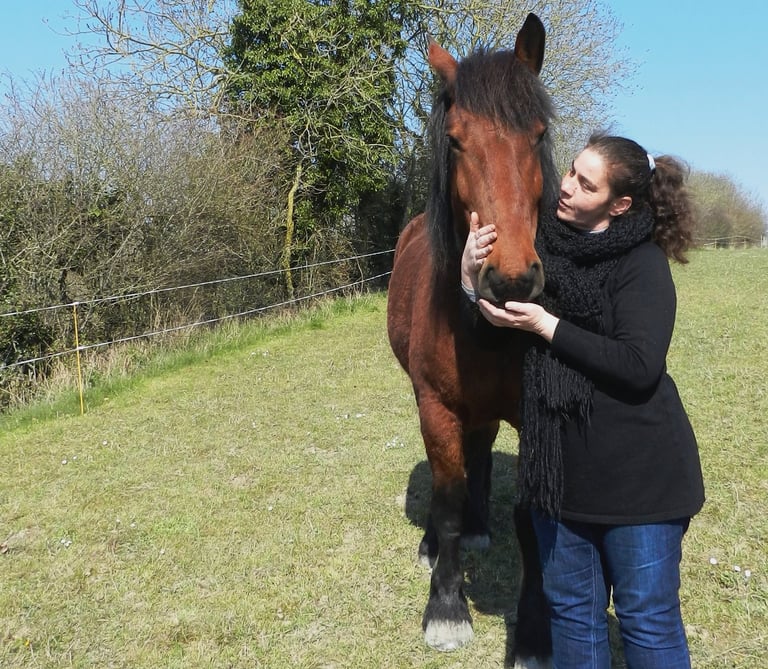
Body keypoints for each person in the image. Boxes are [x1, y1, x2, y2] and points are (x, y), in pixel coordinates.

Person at [460, 133, 705, 668]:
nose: (566, 188)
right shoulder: (535, 250)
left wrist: (548, 325)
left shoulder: (642, 264)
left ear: (619, 205)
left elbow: (639, 368)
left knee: (647, 621)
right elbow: (494, 344)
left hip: (640, 486)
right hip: (559, 478)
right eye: (571, 171)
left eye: (585, 184)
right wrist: (471, 285)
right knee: (572, 615)